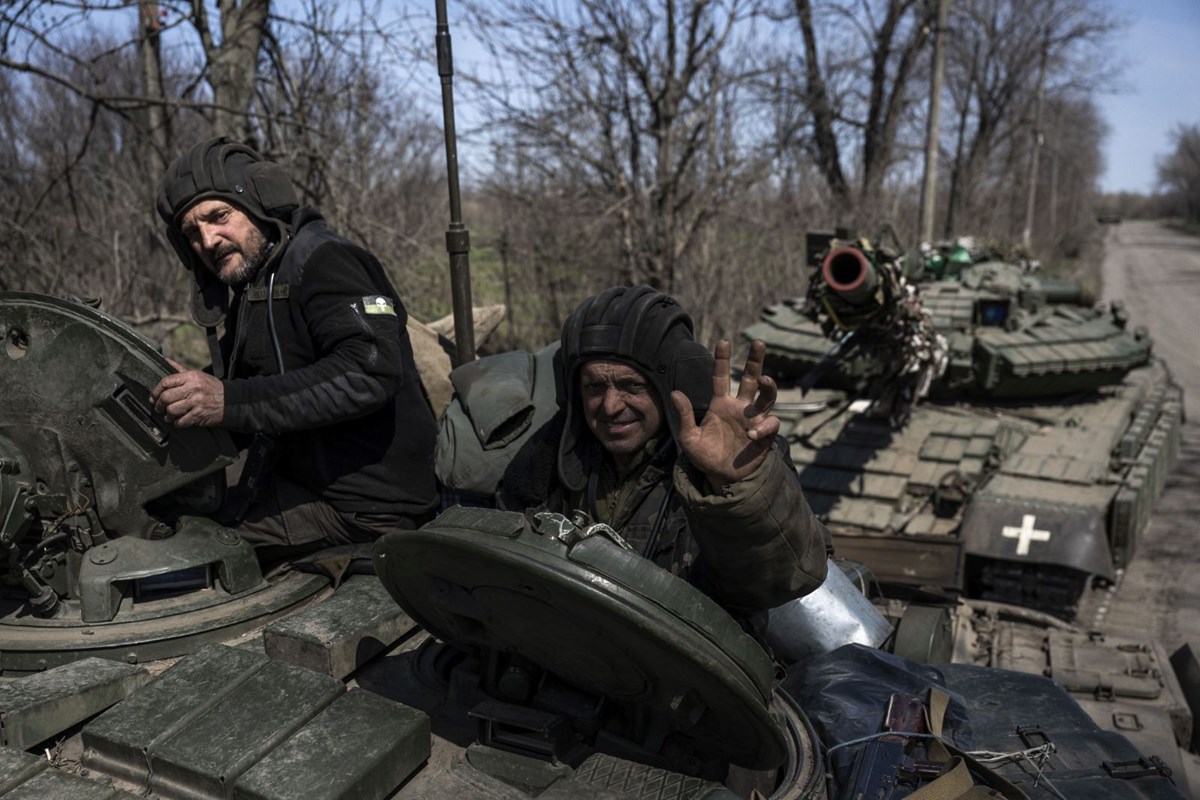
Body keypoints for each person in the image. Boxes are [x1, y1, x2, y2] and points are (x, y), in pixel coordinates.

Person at [150, 137, 438, 557]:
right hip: (296, 479)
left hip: (366, 507)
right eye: (192, 232)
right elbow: (255, 389)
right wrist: (191, 393)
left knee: (179, 542)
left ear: (259, 205)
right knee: (165, 500)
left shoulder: (323, 261)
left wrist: (224, 400)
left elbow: (368, 370)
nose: (208, 240)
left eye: (219, 216)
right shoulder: (256, 285)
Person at [498, 285, 829, 615]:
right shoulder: (547, 466)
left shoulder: (725, 463)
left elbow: (784, 580)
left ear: (669, 386)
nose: (611, 406)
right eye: (594, 387)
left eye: (632, 386)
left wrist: (740, 487)